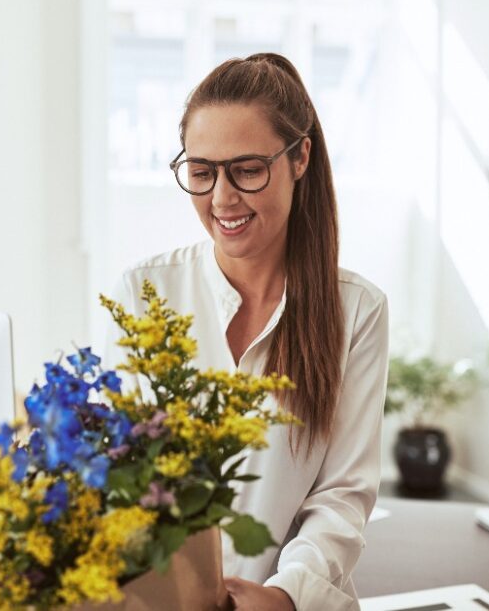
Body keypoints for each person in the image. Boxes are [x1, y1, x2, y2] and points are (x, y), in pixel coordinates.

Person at [105, 53, 389, 611]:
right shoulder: (143, 293)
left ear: (300, 156)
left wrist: (285, 595)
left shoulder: (355, 310)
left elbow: (342, 497)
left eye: (248, 170)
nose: (222, 199)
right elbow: (122, 470)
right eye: (202, 172)